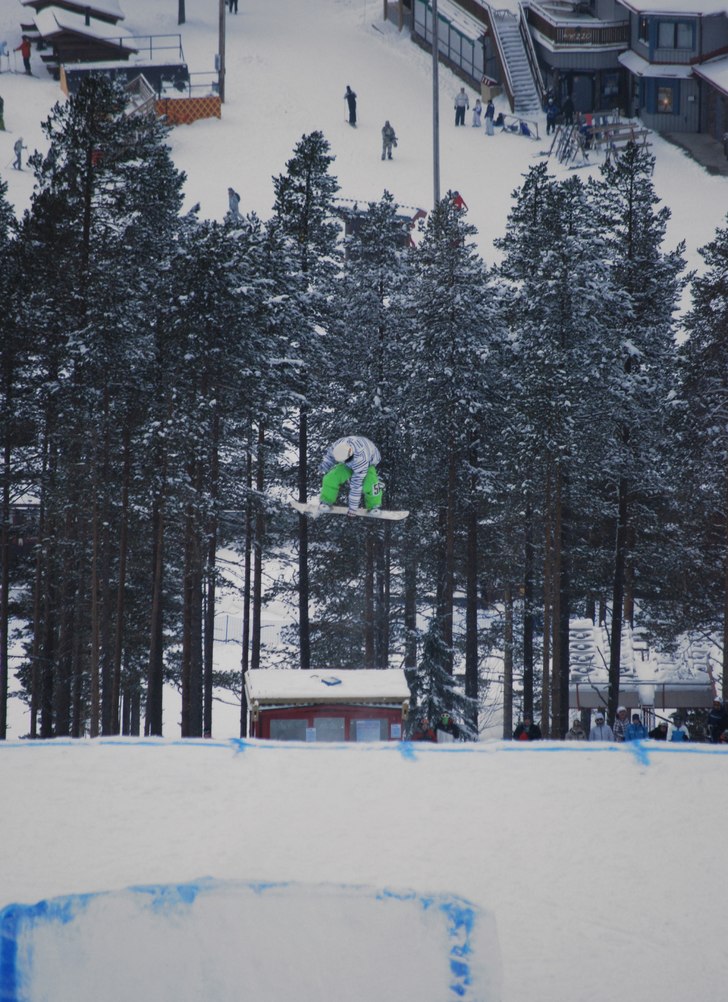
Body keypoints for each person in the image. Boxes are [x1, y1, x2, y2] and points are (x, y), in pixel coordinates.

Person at [318, 435, 382, 515]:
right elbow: (330, 457)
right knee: (331, 478)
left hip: (369, 462)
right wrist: (324, 467)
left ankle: (374, 506)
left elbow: (356, 486)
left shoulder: (361, 459)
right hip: (347, 460)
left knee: (371, 483)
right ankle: (326, 501)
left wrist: (353, 509)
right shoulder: (337, 446)